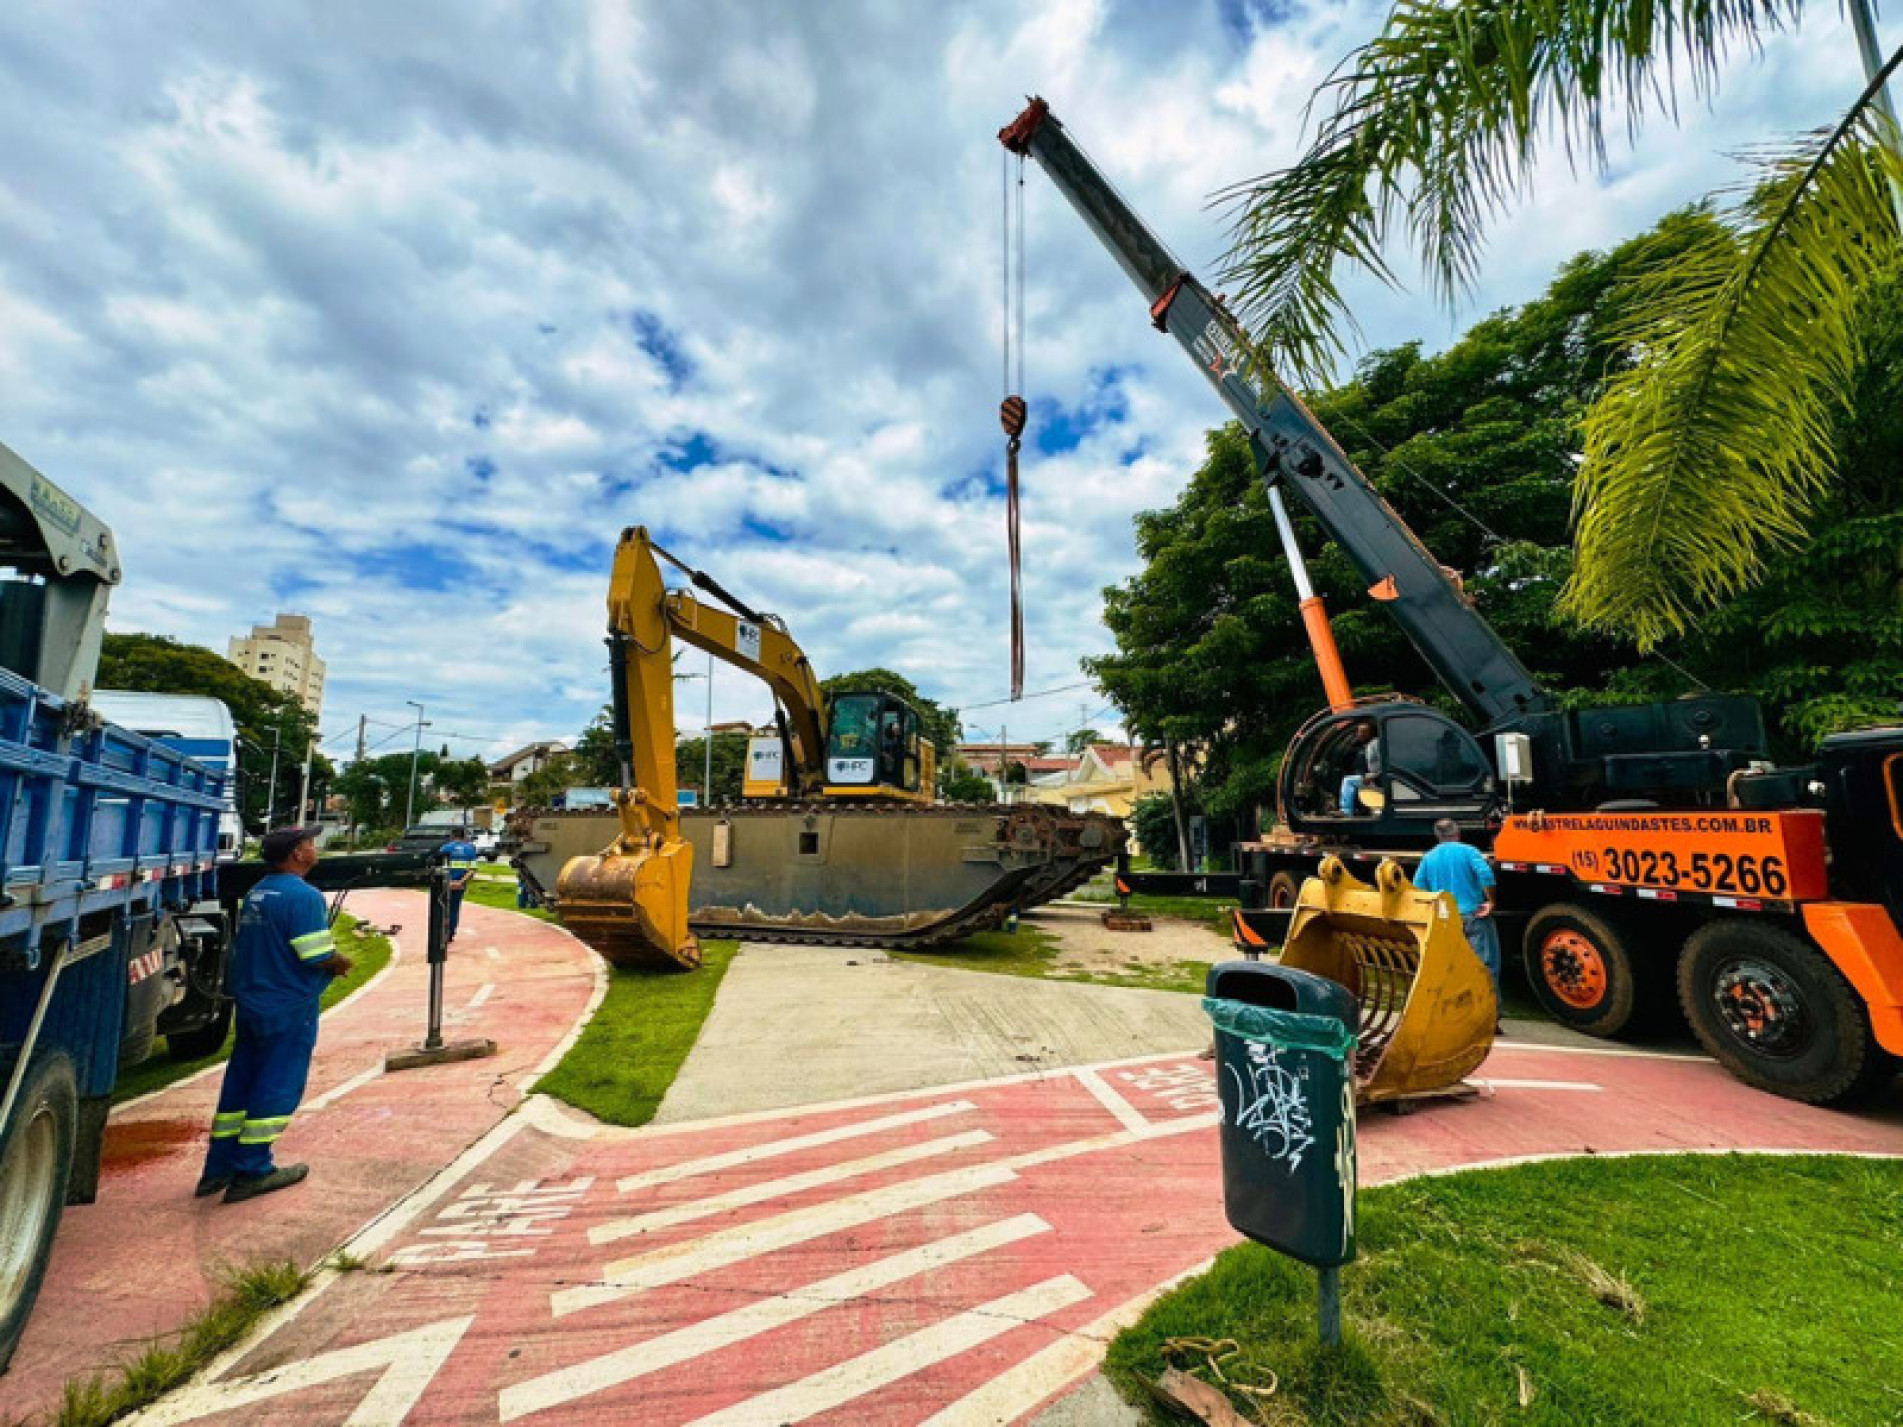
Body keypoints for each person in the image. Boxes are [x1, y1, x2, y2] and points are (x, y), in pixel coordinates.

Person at [196, 826, 352, 1203]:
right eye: (310, 844)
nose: (315, 849)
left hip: (253, 1002)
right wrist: (341, 963)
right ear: (297, 853)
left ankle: (218, 1168)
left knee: (241, 1083)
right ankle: (252, 1169)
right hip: (289, 1005)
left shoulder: (259, 891)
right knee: (278, 1085)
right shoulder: (305, 898)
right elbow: (314, 955)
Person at [1413, 818, 1502, 1027]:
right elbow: (1486, 875)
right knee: (1485, 966)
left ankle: (1454, 1018)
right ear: (1458, 833)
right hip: (1473, 916)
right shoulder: (1469, 851)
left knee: (1450, 969)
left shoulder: (1429, 857)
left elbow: (1418, 889)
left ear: (1437, 836)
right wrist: (1491, 901)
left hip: (1445, 921)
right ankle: (1488, 1019)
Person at [439, 829, 481, 943]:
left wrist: (448, 882)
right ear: (464, 836)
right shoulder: (470, 849)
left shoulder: (445, 848)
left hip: (444, 884)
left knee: (441, 908)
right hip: (459, 885)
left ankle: (441, 932)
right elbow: (472, 870)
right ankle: (450, 933)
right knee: (454, 908)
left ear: (452, 836)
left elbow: (439, 867)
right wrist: (461, 882)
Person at [1337, 721, 1382, 815]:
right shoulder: (1366, 744)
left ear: (1369, 733)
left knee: (1348, 781)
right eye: (1358, 731)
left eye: (1362, 732)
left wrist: (1373, 776)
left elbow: (1386, 763)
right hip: (1372, 776)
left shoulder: (1376, 744)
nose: (1359, 734)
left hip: (1377, 778)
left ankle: (1346, 811)